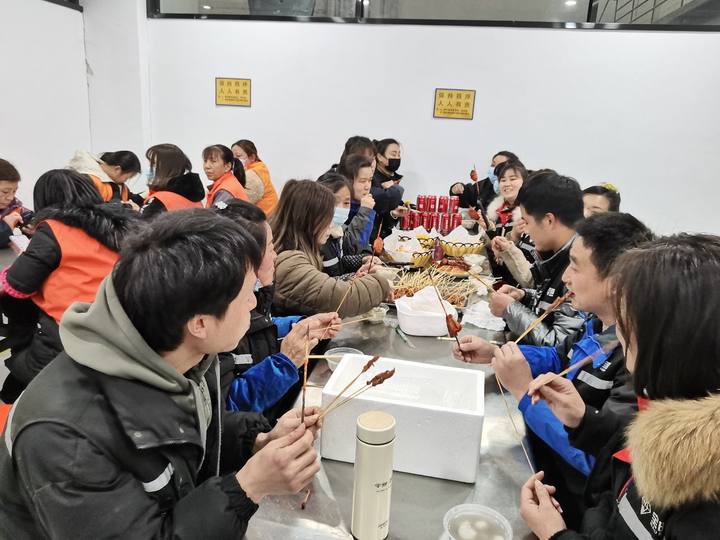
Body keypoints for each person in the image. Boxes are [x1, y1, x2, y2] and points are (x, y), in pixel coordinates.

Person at [0, 209, 322, 538]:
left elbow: (181, 436)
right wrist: (248, 487)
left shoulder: (183, 354)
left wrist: (255, 441)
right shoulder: (66, 442)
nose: (254, 304)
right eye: (247, 295)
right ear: (200, 323)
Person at [455, 212, 654, 527]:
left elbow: (597, 458)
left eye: (576, 266)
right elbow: (560, 358)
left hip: (574, 505)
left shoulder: (635, 362)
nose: (566, 277)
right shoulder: (598, 325)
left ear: (615, 281)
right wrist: (498, 352)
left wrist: (522, 390)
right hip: (547, 466)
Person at [520, 234, 720, 540]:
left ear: (669, 340)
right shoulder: (670, 409)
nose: (621, 333)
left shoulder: (705, 508)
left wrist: (555, 534)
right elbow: (621, 477)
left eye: (629, 319)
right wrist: (583, 421)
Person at [0, 170, 138, 401]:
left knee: (17, 375)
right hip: (127, 334)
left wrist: (28, 253)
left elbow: (18, 284)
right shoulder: (124, 226)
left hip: (70, 336)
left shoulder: (54, 229)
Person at [214, 199, 341, 420]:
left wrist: (298, 326)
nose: (275, 256)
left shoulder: (255, 296)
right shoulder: (219, 321)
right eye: (271, 248)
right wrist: (285, 362)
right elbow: (226, 410)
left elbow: (260, 330)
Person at [489, 171, 585, 347]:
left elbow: (560, 346)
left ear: (548, 220)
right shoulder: (558, 254)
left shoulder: (580, 266)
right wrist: (525, 296)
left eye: (527, 222)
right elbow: (555, 304)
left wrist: (511, 309)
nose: (526, 230)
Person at [271, 180, 391, 317]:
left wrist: (354, 274)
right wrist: (382, 284)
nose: (331, 225)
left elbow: (322, 285)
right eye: (327, 219)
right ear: (309, 220)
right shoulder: (289, 263)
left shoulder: (304, 250)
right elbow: (339, 298)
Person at [480, 160, 535, 287]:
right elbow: (494, 251)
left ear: (525, 182)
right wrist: (487, 230)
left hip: (518, 288)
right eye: (503, 180)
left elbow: (531, 264)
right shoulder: (496, 212)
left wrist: (514, 237)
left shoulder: (530, 215)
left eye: (513, 179)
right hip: (497, 280)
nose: (507, 184)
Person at [317, 172, 378, 279]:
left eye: (346, 203)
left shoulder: (337, 231)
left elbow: (340, 261)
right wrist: (353, 277)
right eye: (334, 202)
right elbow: (321, 283)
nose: (341, 208)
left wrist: (363, 259)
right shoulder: (316, 238)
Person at [140, 143, 205, 218]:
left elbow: (142, 223)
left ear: (167, 168)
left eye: (153, 164)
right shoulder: (194, 197)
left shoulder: (160, 200)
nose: (149, 167)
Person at [68, 149, 144, 206]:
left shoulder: (115, 182)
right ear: (117, 169)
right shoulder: (86, 180)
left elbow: (129, 197)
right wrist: (126, 208)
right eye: (127, 178)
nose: (125, 181)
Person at [449, 150, 519, 211]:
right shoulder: (486, 184)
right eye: (493, 165)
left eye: (500, 166)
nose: (494, 169)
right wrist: (457, 189)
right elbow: (468, 196)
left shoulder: (520, 191)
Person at [370, 138, 409, 239]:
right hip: (372, 238)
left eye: (399, 154)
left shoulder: (393, 179)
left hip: (386, 236)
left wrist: (394, 214)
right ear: (379, 157)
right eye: (393, 154)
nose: (397, 158)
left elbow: (390, 214)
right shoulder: (371, 180)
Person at [339, 154, 377, 254]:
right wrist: (364, 211)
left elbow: (366, 242)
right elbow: (352, 248)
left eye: (370, 180)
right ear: (348, 181)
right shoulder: (340, 209)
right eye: (362, 181)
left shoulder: (363, 204)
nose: (367, 186)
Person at [231, 139, 279, 215]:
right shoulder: (255, 168)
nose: (234, 160)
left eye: (238, 156)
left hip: (267, 218)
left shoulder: (252, 176)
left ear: (252, 157)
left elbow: (240, 205)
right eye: (232, 157)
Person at [0, 159, 32, 247]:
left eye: (14, 191)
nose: (10, 197)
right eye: (5, 192)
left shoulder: (13, 207)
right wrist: (6, 227)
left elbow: (28, 216)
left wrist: (32, 227)